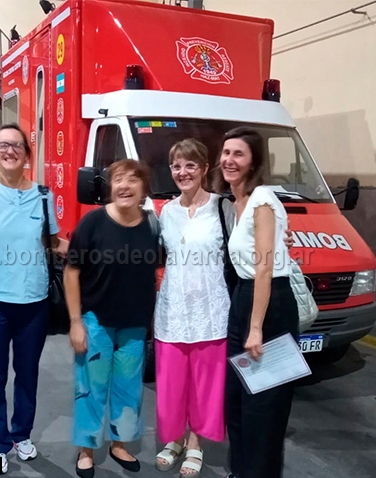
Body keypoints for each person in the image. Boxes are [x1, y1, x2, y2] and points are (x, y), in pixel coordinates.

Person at [0, 123, 67, 473]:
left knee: (27, 373)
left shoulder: (43, 195)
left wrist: (100, 248)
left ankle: (21, 434)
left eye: (17, 146)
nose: (9, 151)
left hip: (34, 302)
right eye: (3, 146)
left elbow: (52, 243)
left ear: (27, 154)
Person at [66, 159, 163, 478]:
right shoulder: (92, 223)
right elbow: (72, 272)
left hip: (135, 326)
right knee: (91, 388)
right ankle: (86, 449)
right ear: (110, 186)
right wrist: (76, 321)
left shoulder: (152, 225)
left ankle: (120, 444)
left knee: (128, 389)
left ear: (143, 189)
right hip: (96, 322)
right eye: (118, 179)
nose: (125, 186)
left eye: (133, 180)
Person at [215, 127, 299, 478]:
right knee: (236, 401)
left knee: (263, 408)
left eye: (239, 154)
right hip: (245, 299)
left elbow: (265, 267)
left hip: (270, 307)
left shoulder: (262, 198)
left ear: (253, 163)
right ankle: (242, 471)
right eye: (225, 152)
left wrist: (255, 328)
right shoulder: (237, 202)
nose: (229, 160)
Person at [153, 139, 229, 477]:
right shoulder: (166, 212)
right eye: (176, 166)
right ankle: (176, 438)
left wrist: (280, 242)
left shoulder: (223, 208)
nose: (182, 172)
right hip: (172, 310)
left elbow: (248, 244)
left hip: (211, 310)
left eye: (190, 165)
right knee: (172, 383)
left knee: (204, 384)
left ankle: (195, 443)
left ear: (204, 168)